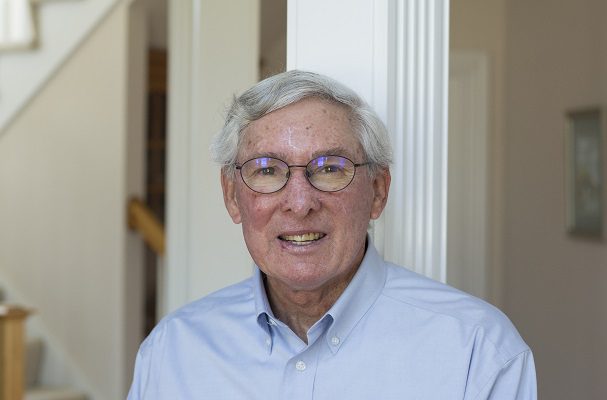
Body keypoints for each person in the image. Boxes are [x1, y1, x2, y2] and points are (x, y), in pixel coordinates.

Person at [127, 70, 537, 399]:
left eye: (329, 168)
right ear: (232, 196)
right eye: (268, 170)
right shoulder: (173, 351)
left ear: (378, 191)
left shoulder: (478, 352)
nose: (300, 202)